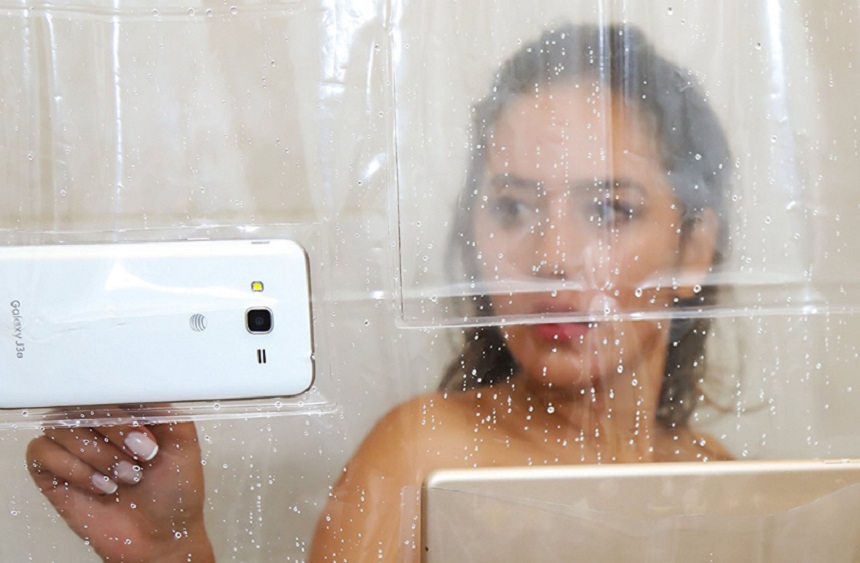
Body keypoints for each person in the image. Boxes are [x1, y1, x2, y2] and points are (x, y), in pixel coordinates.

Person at [25, 22, 733, 562]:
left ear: (695, 248)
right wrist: (168, 548)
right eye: (513, 207)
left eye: (609, 210)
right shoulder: (424, 453)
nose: (550, 258)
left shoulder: (725, 485)